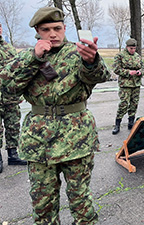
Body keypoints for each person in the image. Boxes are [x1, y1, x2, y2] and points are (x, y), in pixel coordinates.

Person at [1, 7, 110, 224]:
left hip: (76, 137)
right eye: (46, 29)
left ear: (65, 28)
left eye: (57, 28)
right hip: (39, 142)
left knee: (81, 202)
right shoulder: (25, 57)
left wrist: (92, 62)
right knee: (43, 205)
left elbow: (102, 75)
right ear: (37, 32)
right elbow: (6, 87)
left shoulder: (78, 52)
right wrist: (34, 59)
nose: (52, 34)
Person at [0, 22, 27, 173]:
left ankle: (13, 155)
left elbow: (19, 72)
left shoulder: (8, 48)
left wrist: (20, 92)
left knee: (13, 126)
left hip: (10, 96)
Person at [112, 38, 144, 135]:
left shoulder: (137, 56)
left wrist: (140, 72)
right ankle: (117, 123)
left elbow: (143, 68)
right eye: (131, 48)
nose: (133, 50)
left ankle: (131, 122)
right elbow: (116, 69)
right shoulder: (120, 56)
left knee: (134, 103)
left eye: (134, 48)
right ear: (127, 47)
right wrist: (128, 72)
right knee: (124, 104)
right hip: (125, 84)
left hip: (136, 84)